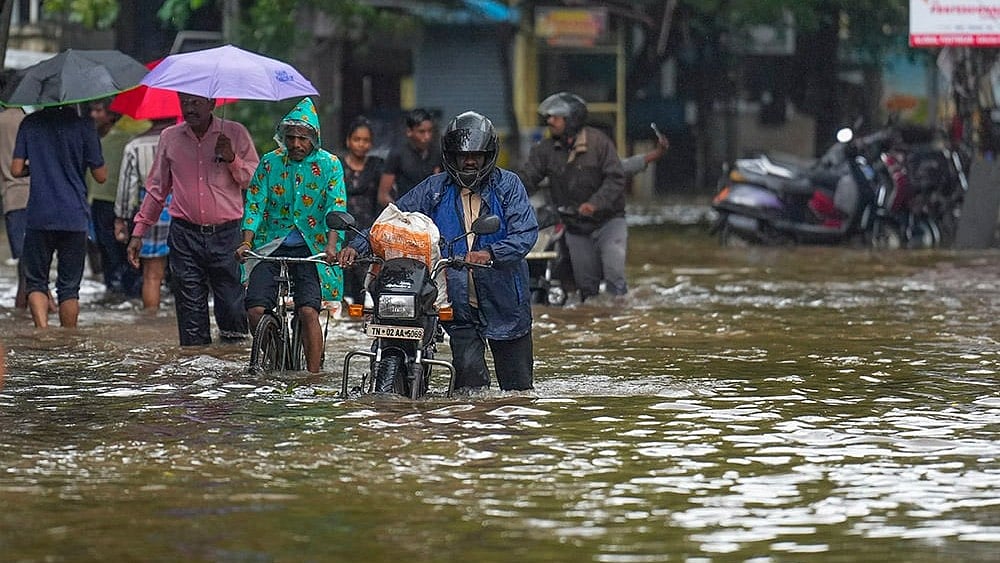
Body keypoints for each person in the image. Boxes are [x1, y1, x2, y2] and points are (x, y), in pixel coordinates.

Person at [339, 110, 538, 392]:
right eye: (462, 156)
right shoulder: (435, 189)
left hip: (505, 300)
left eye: (476, 155)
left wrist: (490, 253)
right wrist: (356, 247)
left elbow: (525, 233)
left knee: (517, 393)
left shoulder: (508, 185)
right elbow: (393, 219)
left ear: (489, 154)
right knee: (470, 393)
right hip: (458, 303)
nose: (469, 161)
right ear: (450, 156)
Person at [127, 93, 259, 346]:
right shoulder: (170, 137)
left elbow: (255, 181)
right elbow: (157, 188)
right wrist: (138, 232)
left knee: (233, 312)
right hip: (184, 235)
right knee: (190, 316)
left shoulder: (235, 133)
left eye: (196, 102)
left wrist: (232, 159)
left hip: (227, 235)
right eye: (184, 102)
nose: (189, 108)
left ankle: (232, 377)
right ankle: (192, 376)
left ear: (212, 104)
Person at [236, 97, 346, 374]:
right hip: (270, 245)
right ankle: (273, 352)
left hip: (312, 248)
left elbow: (336, 206)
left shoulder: (330, 164)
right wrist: (247, 242)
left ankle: (312, 376)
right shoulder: (270, 163)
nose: (296, 144)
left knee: (308, 310)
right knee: (255, 309)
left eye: (303, 138)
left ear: (314, 139)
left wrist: (332, 247)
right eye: (291, 138)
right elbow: (255, 203)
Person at [519, 91, 627, 302]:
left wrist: (594, 204)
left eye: (555, 117)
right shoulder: (545, 150)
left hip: (609, 221)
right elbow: (528, 178)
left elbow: (616, 178)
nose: (549, 121)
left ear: (572, 120)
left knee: (615, 278)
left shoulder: (599, 143)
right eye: (548, 117)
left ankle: (619, 316)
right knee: (586, 287)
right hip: (575, 225)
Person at [11, 104, 107, 328]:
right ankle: (68, 338)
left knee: (36, 282)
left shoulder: (30, 123)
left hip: (39, 215)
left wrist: (36, 167)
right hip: (74, 217)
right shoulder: (84, 126)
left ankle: (42, 331)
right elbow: (101, 175)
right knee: (69, 287)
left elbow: (15, 170)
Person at [114, 117, 175, 310]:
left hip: (150, 208)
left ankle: (152, 321)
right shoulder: (185, 141)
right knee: (188, 275)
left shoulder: (135, 145)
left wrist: (121, 217)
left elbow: (127, 187)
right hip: (183, 207)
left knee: (152, 275)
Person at [88, 98, 140, 298]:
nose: (94, 115)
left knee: (125, 248)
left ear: (111, 115)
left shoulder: (126, 139)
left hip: (123, 203)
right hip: (99, 201)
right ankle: (113, 289)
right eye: (92, 110)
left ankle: (130, 291)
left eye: (99, 110)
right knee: (105, 248)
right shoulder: (90, 139)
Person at [337, 116, 384, 305]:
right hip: (340, 226)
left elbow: (383, 196)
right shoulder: (337, 165)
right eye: (357, 139)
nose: (361, 144)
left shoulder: (377, 165)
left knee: (368, 279)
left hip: (366, 228)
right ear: (348, 140)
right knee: (340, 277)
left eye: (366, 140)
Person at [0, 99, 31, 309]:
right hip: (36, 195)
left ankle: (23, 313)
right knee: (32, 263)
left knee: (24, 262)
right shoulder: (30, 122)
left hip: (12, 196)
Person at [377, 108, 441, 207]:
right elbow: (383, 195)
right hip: (406, 211)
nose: (427, 136)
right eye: (421, 132)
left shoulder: (436, 152)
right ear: (409, 132)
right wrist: (399, 212)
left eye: (429, 131)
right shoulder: (397, 153)